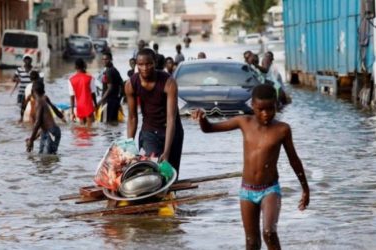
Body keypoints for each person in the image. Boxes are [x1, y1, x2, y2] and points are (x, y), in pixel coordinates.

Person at [191, 84, 310, 250]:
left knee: (269, 232)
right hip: (247, 191)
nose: (266, 114)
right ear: (252, 105)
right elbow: (209, 129)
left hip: (270, 189)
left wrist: (305, 189)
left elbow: (294, 160)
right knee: (252, 243)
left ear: (276, 105)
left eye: (270, 109)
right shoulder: (244, 122)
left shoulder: (282, 129)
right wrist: (203, 118)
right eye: (261, 109)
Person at [125, 48, 184, 175]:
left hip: (172, 131)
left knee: (169, 173)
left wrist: (167, 152)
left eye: (148, 64)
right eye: (141, 64)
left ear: (155, 63)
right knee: (148, 170)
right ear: (136, 65)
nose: (145, 68)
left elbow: (171, 119)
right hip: (149, 131)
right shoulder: (131, 84)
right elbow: (132, 118)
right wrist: (128, 146)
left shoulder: (169, 83)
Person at [26, 81, 62, 154]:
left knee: (47, 159)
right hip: (47, 132)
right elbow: (43, 125)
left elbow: (38, 122)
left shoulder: (39, 102)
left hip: (51, 132)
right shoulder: (41, 101)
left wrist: (31, 140)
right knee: (43, 158)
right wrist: (33, 138)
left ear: (33, 91)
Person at [69, 58, 98, 127]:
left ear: (75, 67)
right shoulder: (90, 78)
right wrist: (96, 106)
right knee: (90, 129)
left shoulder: (71, 80)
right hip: (88, 106)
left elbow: (72, 97)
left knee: (82, 130)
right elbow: (93, 93)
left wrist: (72, 111)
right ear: (84, 65)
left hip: (79, 107)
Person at [99, 52, 123, 125]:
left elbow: (110, 88)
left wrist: (100, 101)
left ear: (111, 59)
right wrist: (119, 99)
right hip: (114, 101)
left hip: (108, 101)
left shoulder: (109, 71)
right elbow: (121, 84)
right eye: (103, 59)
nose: (104, 61)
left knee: (106, 124)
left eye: (106, 59)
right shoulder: (114, 70)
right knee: (113, 124)